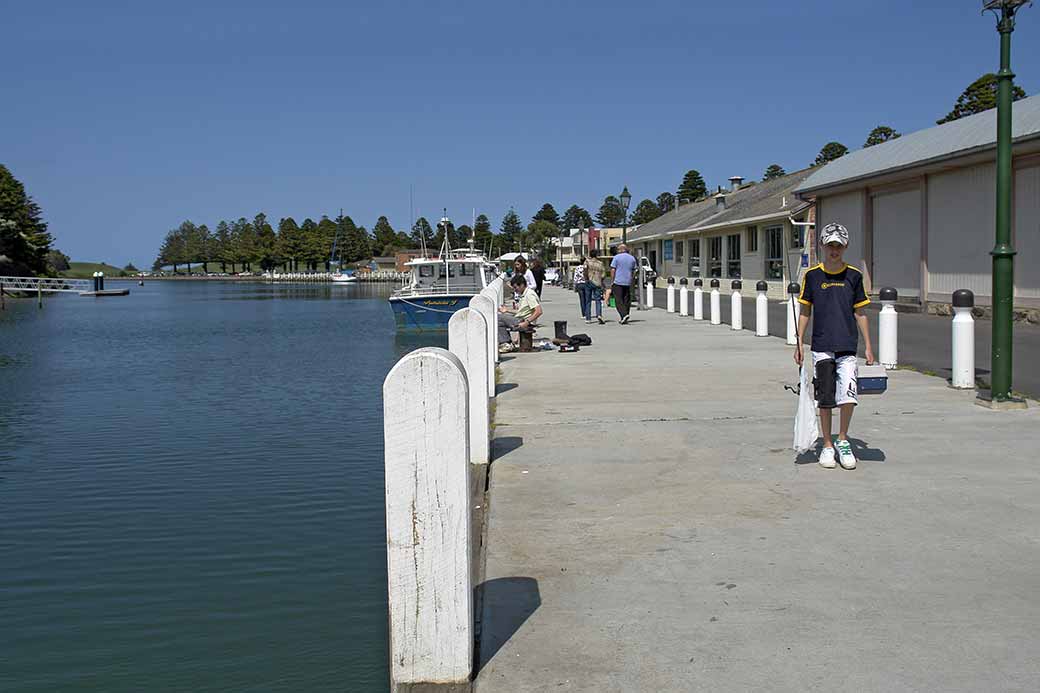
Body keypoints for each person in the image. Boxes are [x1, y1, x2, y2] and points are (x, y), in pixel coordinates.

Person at [794, 222, 876, 470]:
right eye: (830, 245)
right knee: (826, 397)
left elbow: (860, 313)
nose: (834, 250)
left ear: (845, 247)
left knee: (848, 396)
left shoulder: (854, 276)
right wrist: (799, 341)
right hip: (821, 346)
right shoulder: (812, 276)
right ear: (822, 246)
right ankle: (827, 444)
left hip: (847, 345)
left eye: (838, 246)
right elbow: (805, 310)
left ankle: (843, 440)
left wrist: (869, 347)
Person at [498, 275, 542, 353]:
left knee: (498, 318)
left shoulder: (529, 295)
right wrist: (507, 310)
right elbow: (521, 311)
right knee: (498, 320)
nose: (515, 290)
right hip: (521, 319)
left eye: (515, 287)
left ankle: (506, 343)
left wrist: (526, 322)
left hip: (523, 321)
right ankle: (507, 342)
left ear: (522, 285)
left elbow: (538, 311)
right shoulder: (524, 294)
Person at [609, 244, 637, 324]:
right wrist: (631, 278)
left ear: (620, 250)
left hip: (618, 282)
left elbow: (613, 270)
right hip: (628, 282)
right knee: (626, 300)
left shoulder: (616, 257)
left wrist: (612, 280)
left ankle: (624, 314)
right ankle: (625, 315)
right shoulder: (632, 258)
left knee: (618, 300)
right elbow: (634, 270)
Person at [584, 250, 606, 324]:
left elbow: (585, 271)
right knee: (598, 300)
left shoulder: (587, 262)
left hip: (589, 281)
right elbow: (603, 274)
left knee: (588, 300)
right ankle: (599, 315)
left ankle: (588, 318)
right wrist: (600, 279)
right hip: (597, 283)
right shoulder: (600, 263)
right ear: (596, 255)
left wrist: (586, 279)